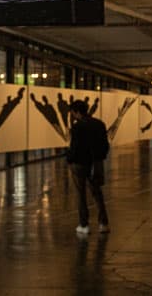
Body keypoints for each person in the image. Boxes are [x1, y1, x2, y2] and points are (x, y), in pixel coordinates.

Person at [67, 98, 110, 235]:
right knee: (97, 193)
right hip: (96, 162)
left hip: (80, 163)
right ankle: (103, 223)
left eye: (73, 112)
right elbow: (105, 144)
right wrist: (100, 157)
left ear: (76, 112)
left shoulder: (77, 126)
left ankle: (84, 224)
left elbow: (75, 147)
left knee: (81, 194)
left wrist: (69, 159)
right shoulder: (99, 124)